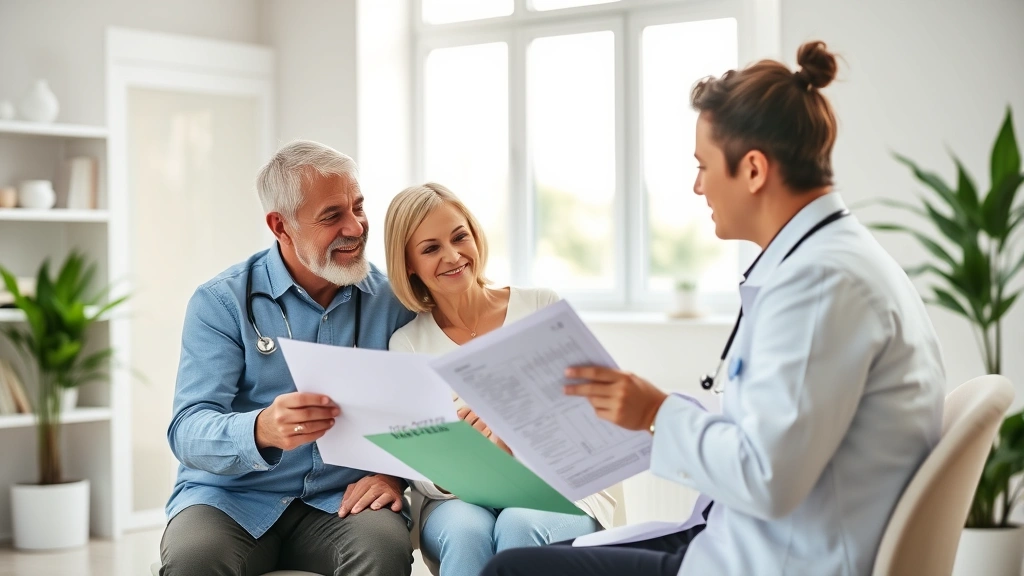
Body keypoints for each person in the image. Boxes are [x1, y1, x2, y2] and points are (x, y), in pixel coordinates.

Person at [483, 40, 946, 576]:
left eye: (704, 166)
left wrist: (656, 415)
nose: (697, 185)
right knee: (533, 560)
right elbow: (776, 435)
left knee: (512, 571)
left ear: (752, 170)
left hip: (779, 560)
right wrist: (637, 414)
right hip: (757, 539)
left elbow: (768, 478)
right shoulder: (826, 261)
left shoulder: (820, 284)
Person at [160, 141, 417, 576]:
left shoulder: (394, 301)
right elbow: (186, 430)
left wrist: (394, 476)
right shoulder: (221, 303)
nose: (355, 227)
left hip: (344, 498)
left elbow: (419, 412)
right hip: (231, 499)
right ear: (281, 225)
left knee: (383, 550)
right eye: (332, 216)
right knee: (195, 558)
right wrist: (261, 429)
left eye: (358, 206)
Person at [383, 182, 616, 576]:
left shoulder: (540, 306)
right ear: (409, 264)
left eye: (460, 237)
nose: (453, 256)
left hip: (558, 484)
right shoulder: (407, 344)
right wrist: (461, 457)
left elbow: (595, 417)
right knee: (467, 534)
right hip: (456, 498)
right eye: (431, 248)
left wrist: (510, 442)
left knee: (518, 525)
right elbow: (421, 469)